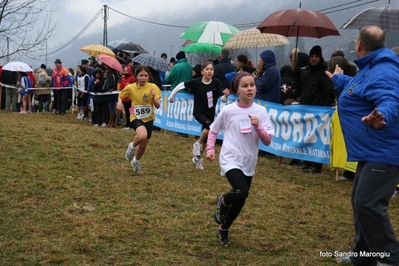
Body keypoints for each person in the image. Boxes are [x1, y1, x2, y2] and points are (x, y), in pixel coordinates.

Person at [326, 25, 399, 266]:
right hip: (371, 150)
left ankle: (390, 257)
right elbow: (357, 89)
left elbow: (390, 98)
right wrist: (338, 78)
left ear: (358, 45)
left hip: (384, 151)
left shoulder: (384, 70)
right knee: (359, 200)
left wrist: (382, 115)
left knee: (368, 203)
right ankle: (364, 255)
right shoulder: (370, 68)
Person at [206, 72, 274, 246]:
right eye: (245, 86)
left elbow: (267, 140)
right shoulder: (228, 110)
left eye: (252, 84)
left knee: (241, 199)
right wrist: (210, 149)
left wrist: (258, 126)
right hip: (230, 158)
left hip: (249, 161)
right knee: (241, 192)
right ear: (237, 90)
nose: (250, 88)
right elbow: (214, 130)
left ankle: (224, 229)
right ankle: (223, 200)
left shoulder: (261, 111)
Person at [168, 61, 230, 170]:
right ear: (202, 72)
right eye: (207, 69)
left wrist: (226, 95)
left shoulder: (216, 83)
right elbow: (181, 85)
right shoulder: (196, 82)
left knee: (206, 139)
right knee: (210, 127)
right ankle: (198, 143)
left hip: (210, 114)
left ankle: (197, 158)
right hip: (198, 112)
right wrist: (171, 97)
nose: (210, 71)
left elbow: (223, 100)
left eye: (211, 69)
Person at [117, 65, 161, 173]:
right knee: (142, 135)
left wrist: (153, 98)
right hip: (134, 114)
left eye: (146, 75)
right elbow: (121, 95)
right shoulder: (130, 87)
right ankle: (131, 146)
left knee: (143, 144)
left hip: (149, 117)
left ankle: (136, 161)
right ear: (136, 76)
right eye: (141, 75)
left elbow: (158, 105)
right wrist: (119, 103)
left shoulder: (153, 87)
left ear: (149, 77)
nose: (143, 78)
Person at [299, 45, 335, 173]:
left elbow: (329, 92)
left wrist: (324, 109)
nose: (314, 59)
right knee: (308, 136)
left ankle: (317, 165)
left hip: (319, 111)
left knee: (317, 139)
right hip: (307, 109)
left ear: (320, 58)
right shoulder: (308, 73)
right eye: (312, 56)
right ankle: (308, 161)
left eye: (316, 57)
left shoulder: (324, 73)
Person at [119, 65, 136, 130]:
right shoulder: (123, 79)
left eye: (127, 70)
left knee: (131, 112)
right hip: (125, 98)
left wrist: (130, 85)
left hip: (131, 98)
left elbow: (135, 87)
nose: (125, 72)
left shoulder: (132, 78)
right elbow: (121, 88)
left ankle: (132, 125)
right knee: (127, 112)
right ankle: (127, 124)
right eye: (124, 70)